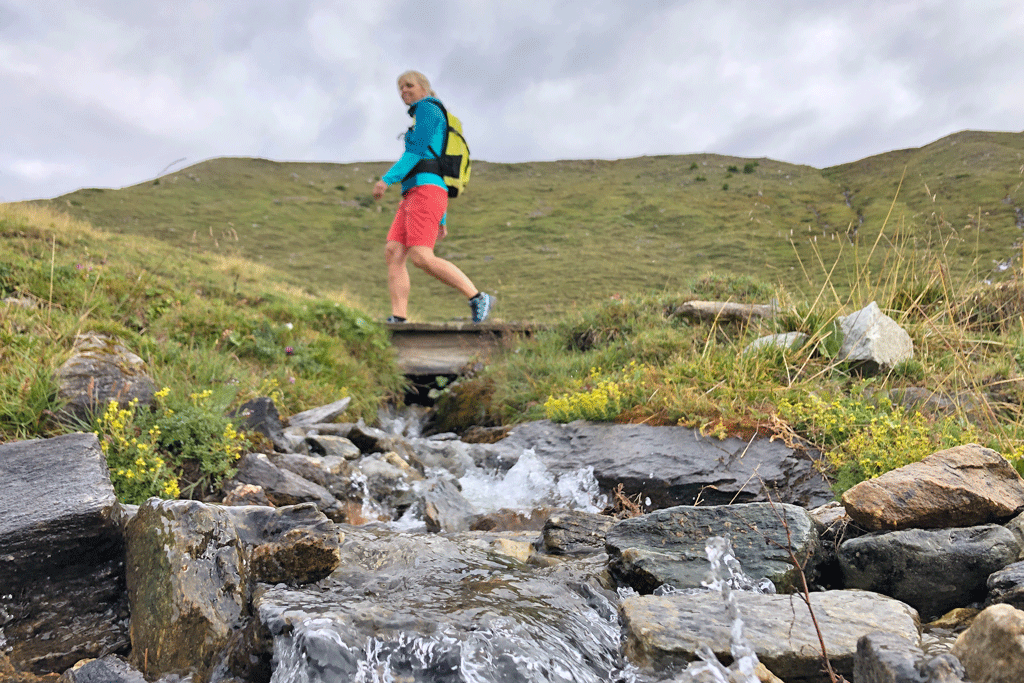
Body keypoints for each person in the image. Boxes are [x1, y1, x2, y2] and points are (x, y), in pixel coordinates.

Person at [372, 70, 493, 324]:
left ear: (424, 88)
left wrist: (387, 180)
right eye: (400, 88)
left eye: (409, 85)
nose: (404, 91)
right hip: (415, 193)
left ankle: (477, 296)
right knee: (394, 251)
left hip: (425, 192)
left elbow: (416, 152)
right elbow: (436, 164)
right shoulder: (423, 115)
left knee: (421, 256)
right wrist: (442, 216)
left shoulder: (428, 109)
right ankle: (399, 316)